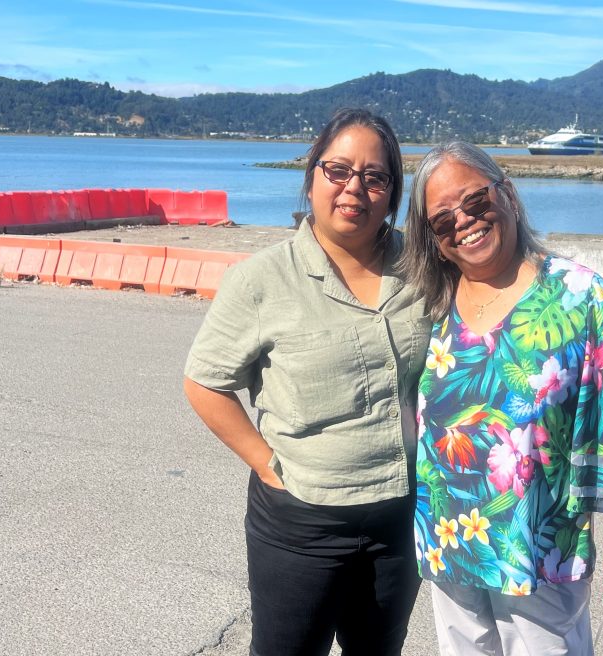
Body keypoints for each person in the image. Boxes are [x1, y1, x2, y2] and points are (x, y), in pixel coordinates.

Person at [182, 108, 430, 656]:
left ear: (392, 192)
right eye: (338, 170)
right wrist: (267, 465)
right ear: (313, 176)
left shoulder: (422, 270)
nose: (354, 189)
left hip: (401, 515)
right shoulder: (263, 279)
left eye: (375, 176)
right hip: (302, 523)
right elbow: (205, 382)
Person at [400, 141, 603, 656]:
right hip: (450, 535)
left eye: (474, 202)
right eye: (442, 220)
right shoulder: (430, 303)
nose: (464, 223)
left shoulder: (579, 297)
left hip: (541, 546)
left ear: (508, 195)